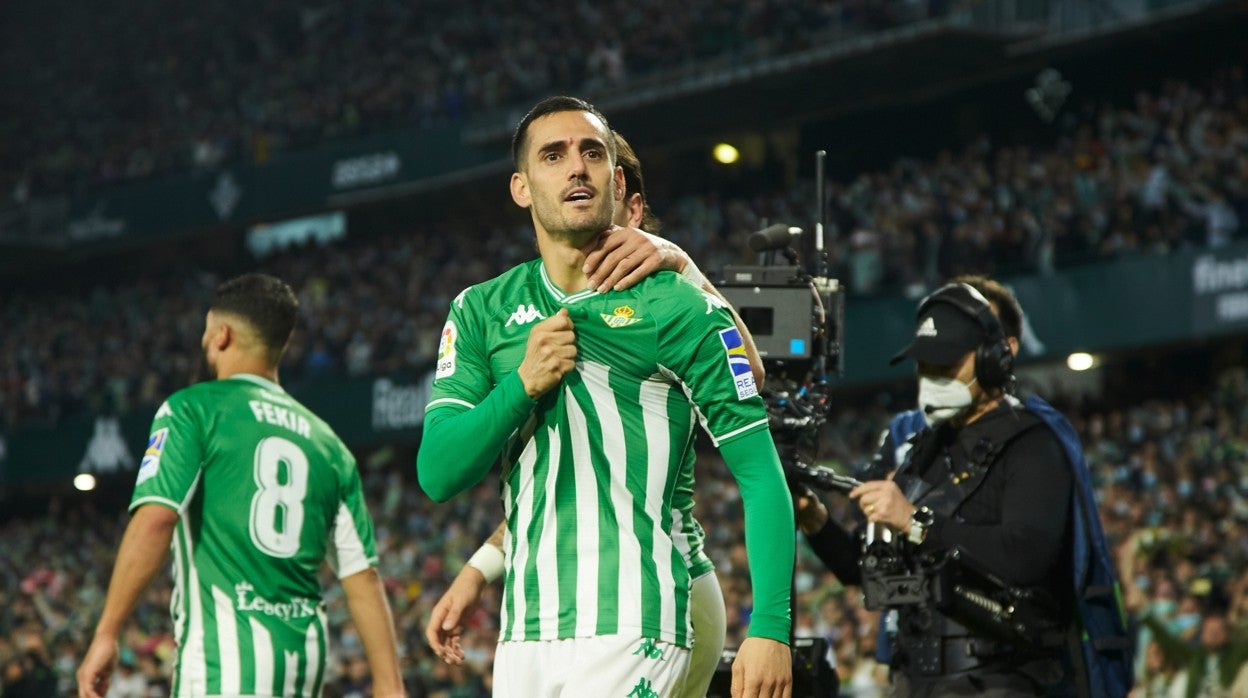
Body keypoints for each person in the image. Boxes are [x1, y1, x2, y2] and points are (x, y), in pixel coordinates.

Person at [415, 96, 794, 697]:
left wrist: (771, 624)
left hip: (637, 616)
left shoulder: (676, 306)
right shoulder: (480, 310)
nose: (576, 167)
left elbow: (759, 467)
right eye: (554, 155)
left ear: (618, 185)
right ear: (521, 188)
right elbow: (439, 474)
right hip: (525, 631)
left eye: (593, 153)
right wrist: (522, 385)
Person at [77, 273, 405, 698]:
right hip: (302, 670)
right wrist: (389, 684)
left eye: (205, 332)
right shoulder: (329, 445)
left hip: (223, 666)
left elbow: (155, 520)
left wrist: (107, 632)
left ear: (221, 335)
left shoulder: (192, 409)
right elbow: (362, 575)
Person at [796, 276, 1078, 695]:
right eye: (924, 365)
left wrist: (916, 522)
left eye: (946, 365)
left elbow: (1025, 557)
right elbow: (865, 569)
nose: (931, 378)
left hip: (1002, 680)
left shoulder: (1032, 444)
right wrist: (815, 520)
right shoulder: (924, 449)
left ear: (991, 361)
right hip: (917, 679)